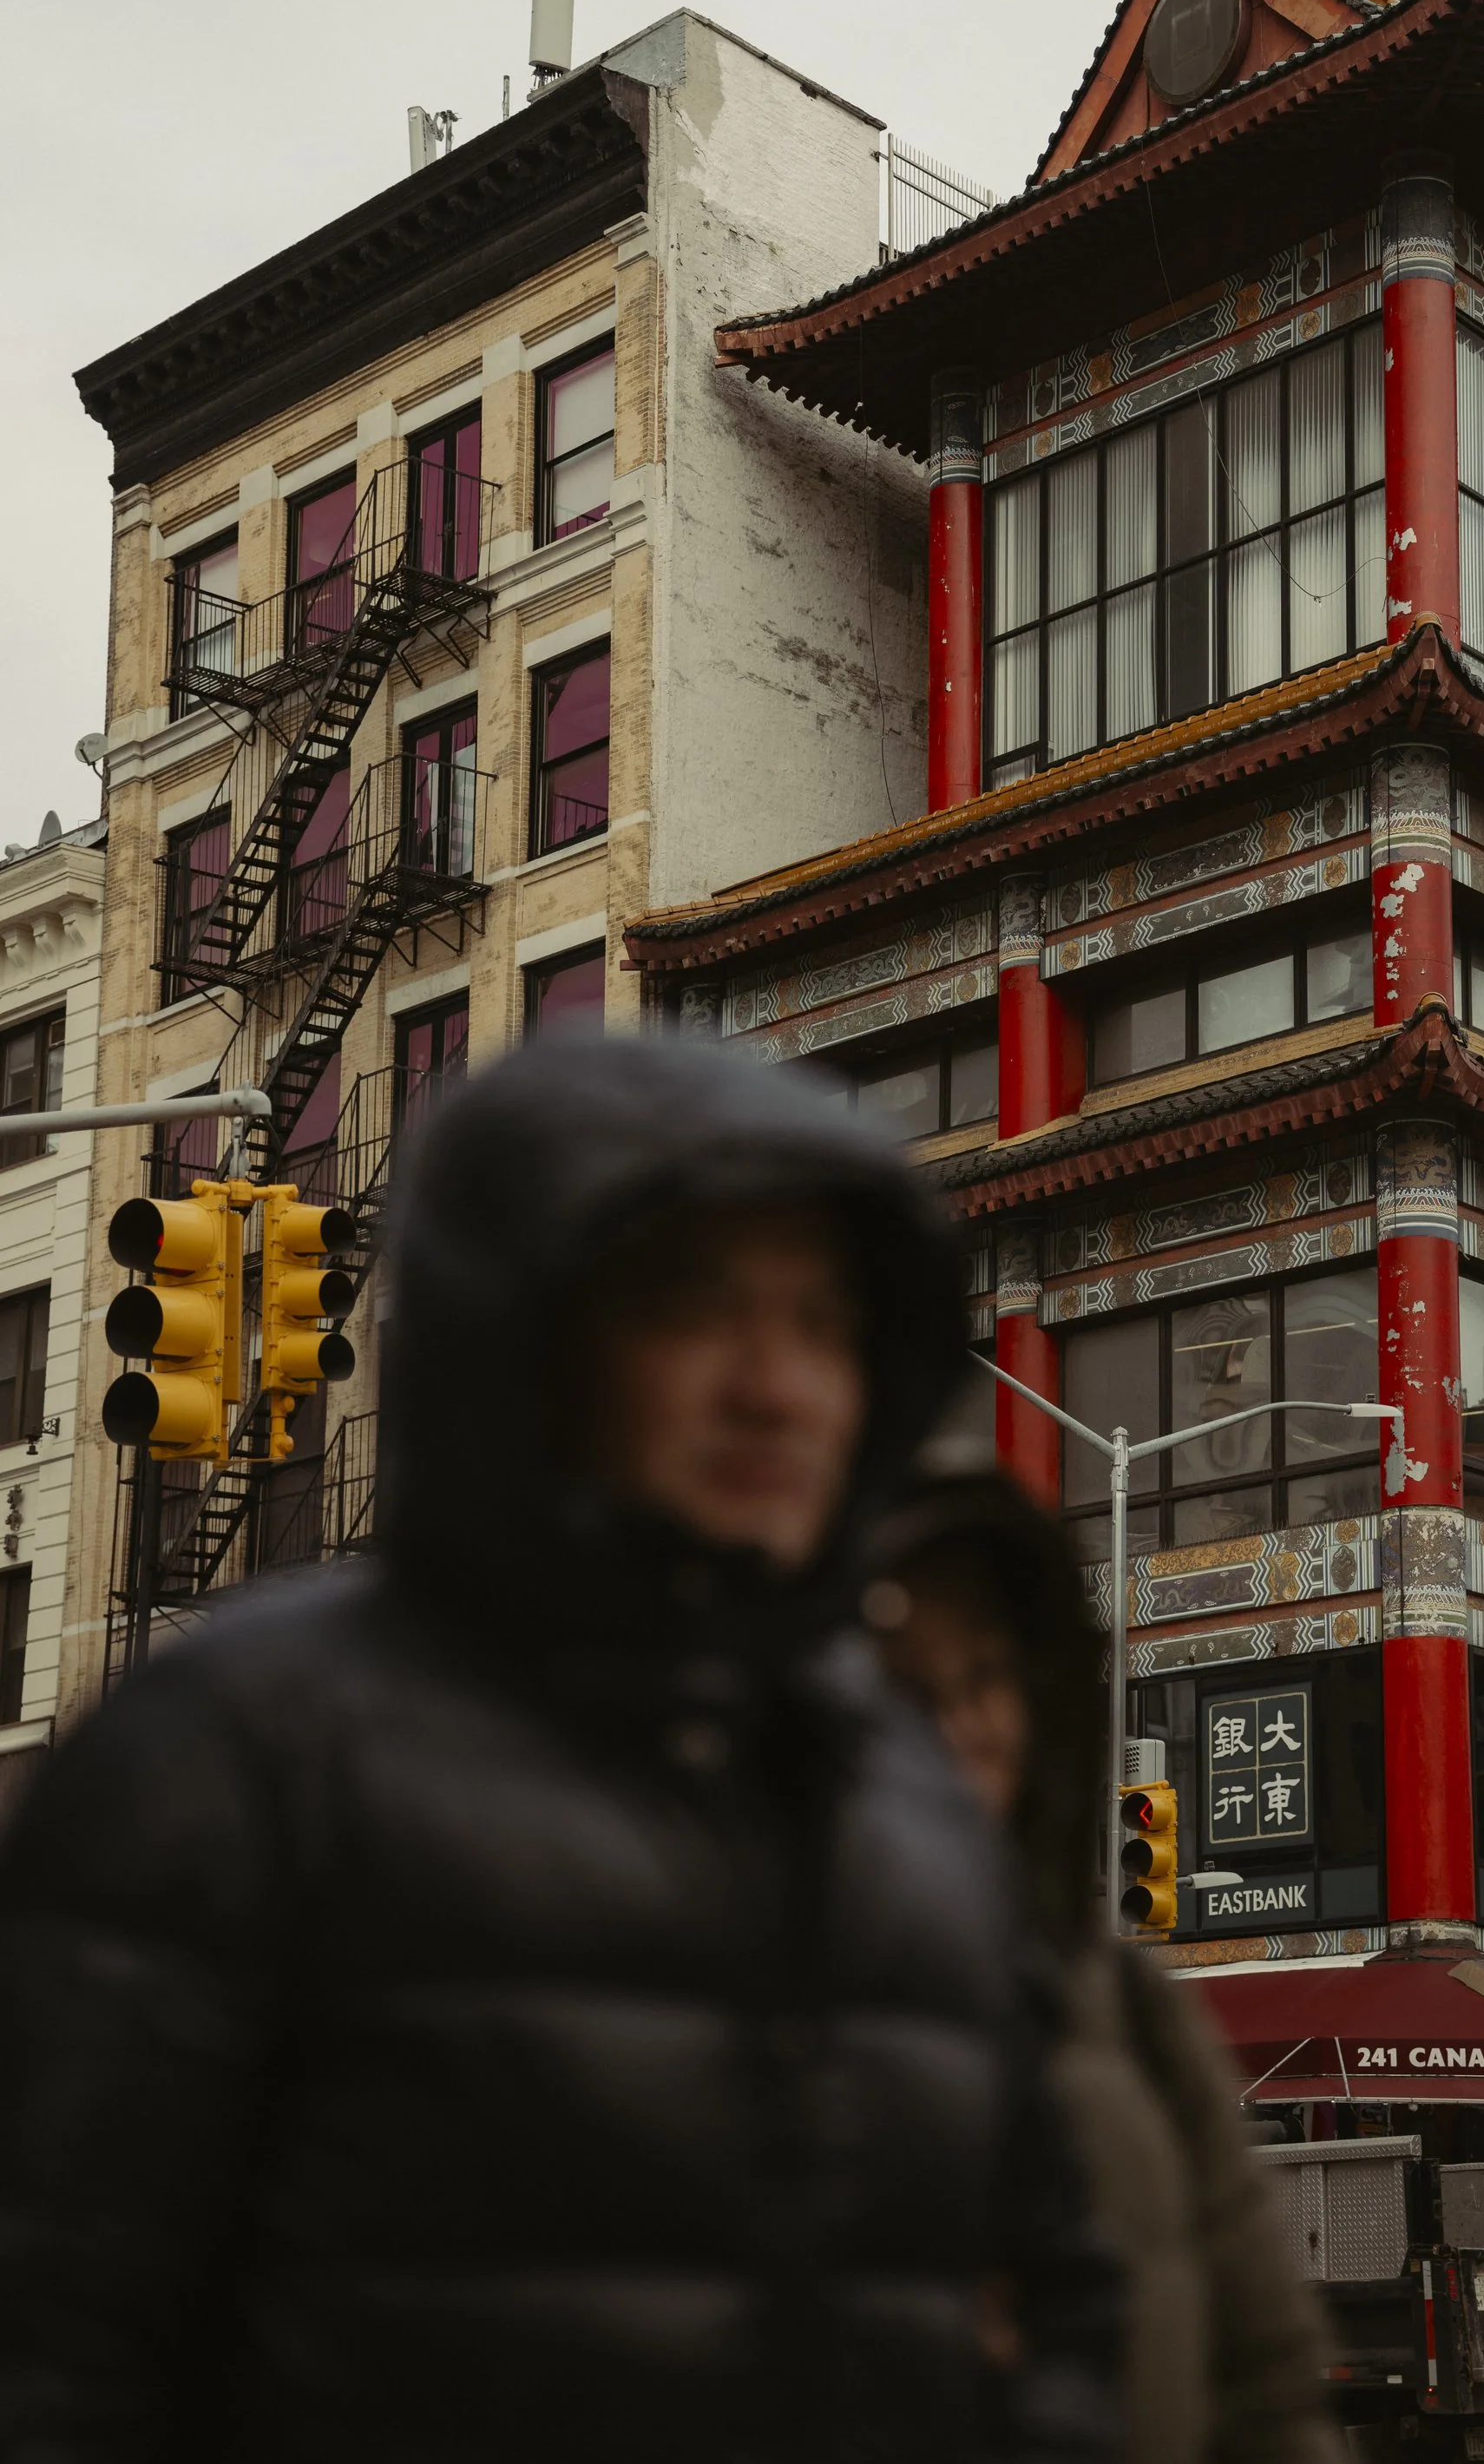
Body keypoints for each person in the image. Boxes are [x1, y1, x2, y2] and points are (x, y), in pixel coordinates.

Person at [0, 1035, 1119, 2462]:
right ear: (530, 1340)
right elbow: (53, 2350)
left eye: (828, 1321)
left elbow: (1063, 2299)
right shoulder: (234, 1753)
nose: (780, 1385)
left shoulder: (909, 1796)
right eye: (696, 1304)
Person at [870, 1472, 1340, 2464]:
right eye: (909, 1694)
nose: (960, 1730)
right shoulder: (721, 1995)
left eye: (984, 1680)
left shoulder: (1125, 2011)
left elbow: (1266, 2383)